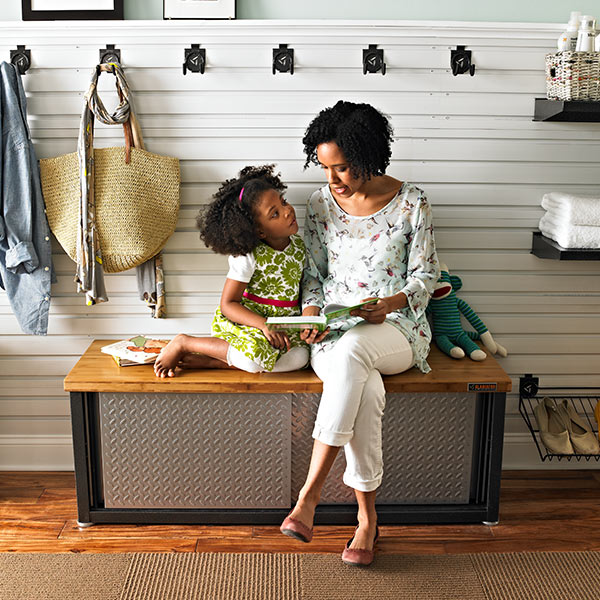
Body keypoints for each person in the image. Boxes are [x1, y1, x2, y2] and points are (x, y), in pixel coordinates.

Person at [279, 101, 440, 566]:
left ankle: (308, 495)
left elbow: (425, 276)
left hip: (397, 329)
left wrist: (390, 303)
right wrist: (311, 312)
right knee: (363, 388)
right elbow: (313, 274)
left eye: (344, 168)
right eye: (326, 167)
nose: (333, 180)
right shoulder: (318, 204)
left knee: (356, 353)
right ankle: (367, 521)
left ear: (370, 157)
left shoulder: (413, 202)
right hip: (334, 331)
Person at [154, 164, 309, 378]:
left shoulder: (300, 247)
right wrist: (263, 326)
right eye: (275, 214)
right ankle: (185, 342)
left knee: (301, 358)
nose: (287, 210)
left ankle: (215, 362)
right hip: (253, 324)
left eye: (283, 202)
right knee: (253, 357)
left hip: (284, 326)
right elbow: (228, 305)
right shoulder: (248, 256)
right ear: (259, 231)